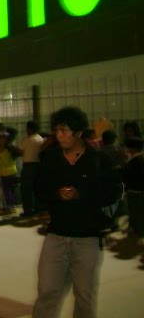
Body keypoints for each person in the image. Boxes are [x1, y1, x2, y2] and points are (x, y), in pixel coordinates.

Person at [33, 106, 123, 318]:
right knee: (47, 292)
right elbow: (39, 189)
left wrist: (80, 194)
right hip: (56, 235)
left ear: (79, 133)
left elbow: (115, 193)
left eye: (64, 130)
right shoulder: (51, 158)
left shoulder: (98, 161)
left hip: (88, 238)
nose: (59, 135)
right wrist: (56, 193)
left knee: (84, 295)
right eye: (57, 130)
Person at [18, 121, 44, 217]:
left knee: (26, 189)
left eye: (27, 128)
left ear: (31, 129)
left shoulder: (28, 140)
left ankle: (28, 210)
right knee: (36, 189)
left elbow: (20, 150)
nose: (26, 130)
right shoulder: (40, 139)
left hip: (28, 166)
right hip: (38, 166)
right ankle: (38, 209)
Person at [123, 136, 144, 245]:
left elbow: (129, 176)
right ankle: (134, 229)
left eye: (127, 147)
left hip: (136, 191)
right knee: (134, 213)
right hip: (136, 191)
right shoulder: (138, 159)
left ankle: (141, 234)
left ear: (133, 148)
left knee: (138, 214)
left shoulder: (137, 161)